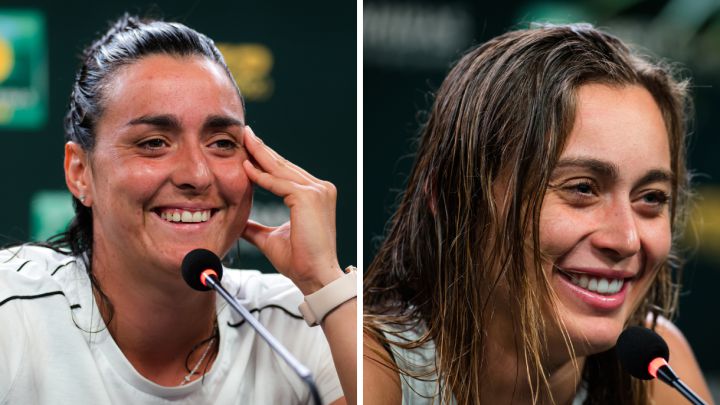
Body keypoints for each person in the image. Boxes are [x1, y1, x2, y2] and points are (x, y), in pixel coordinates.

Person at [0, 14, 356, 405]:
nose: (197, 174)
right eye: (153, 142)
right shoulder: (12, 312)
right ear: (80, 172)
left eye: (221, 142)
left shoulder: (299, 319)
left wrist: (324, 283)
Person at [363, 23, 713, 405]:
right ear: (451, 196)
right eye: (582, 188)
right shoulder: (367, 365)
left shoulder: (658, 375)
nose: (626, 240)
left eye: (651, 198)